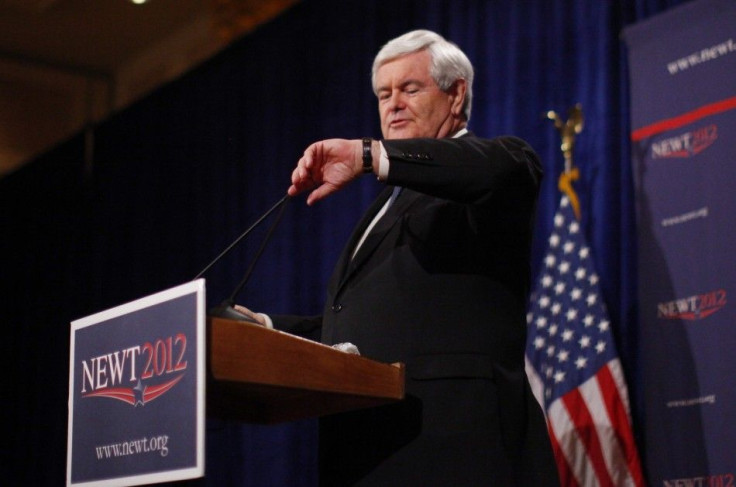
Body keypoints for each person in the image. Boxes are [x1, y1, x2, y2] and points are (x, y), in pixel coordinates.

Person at [236, 29, 559, 486]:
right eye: (384, 94)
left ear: (456, 95)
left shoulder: (496, 168)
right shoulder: (388, 204)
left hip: (455, 448)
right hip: (371, 447)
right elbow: (363, 326)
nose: (393, 104)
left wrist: (369, 154)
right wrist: (264, 328)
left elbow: (499, 168)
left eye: (410, 88)